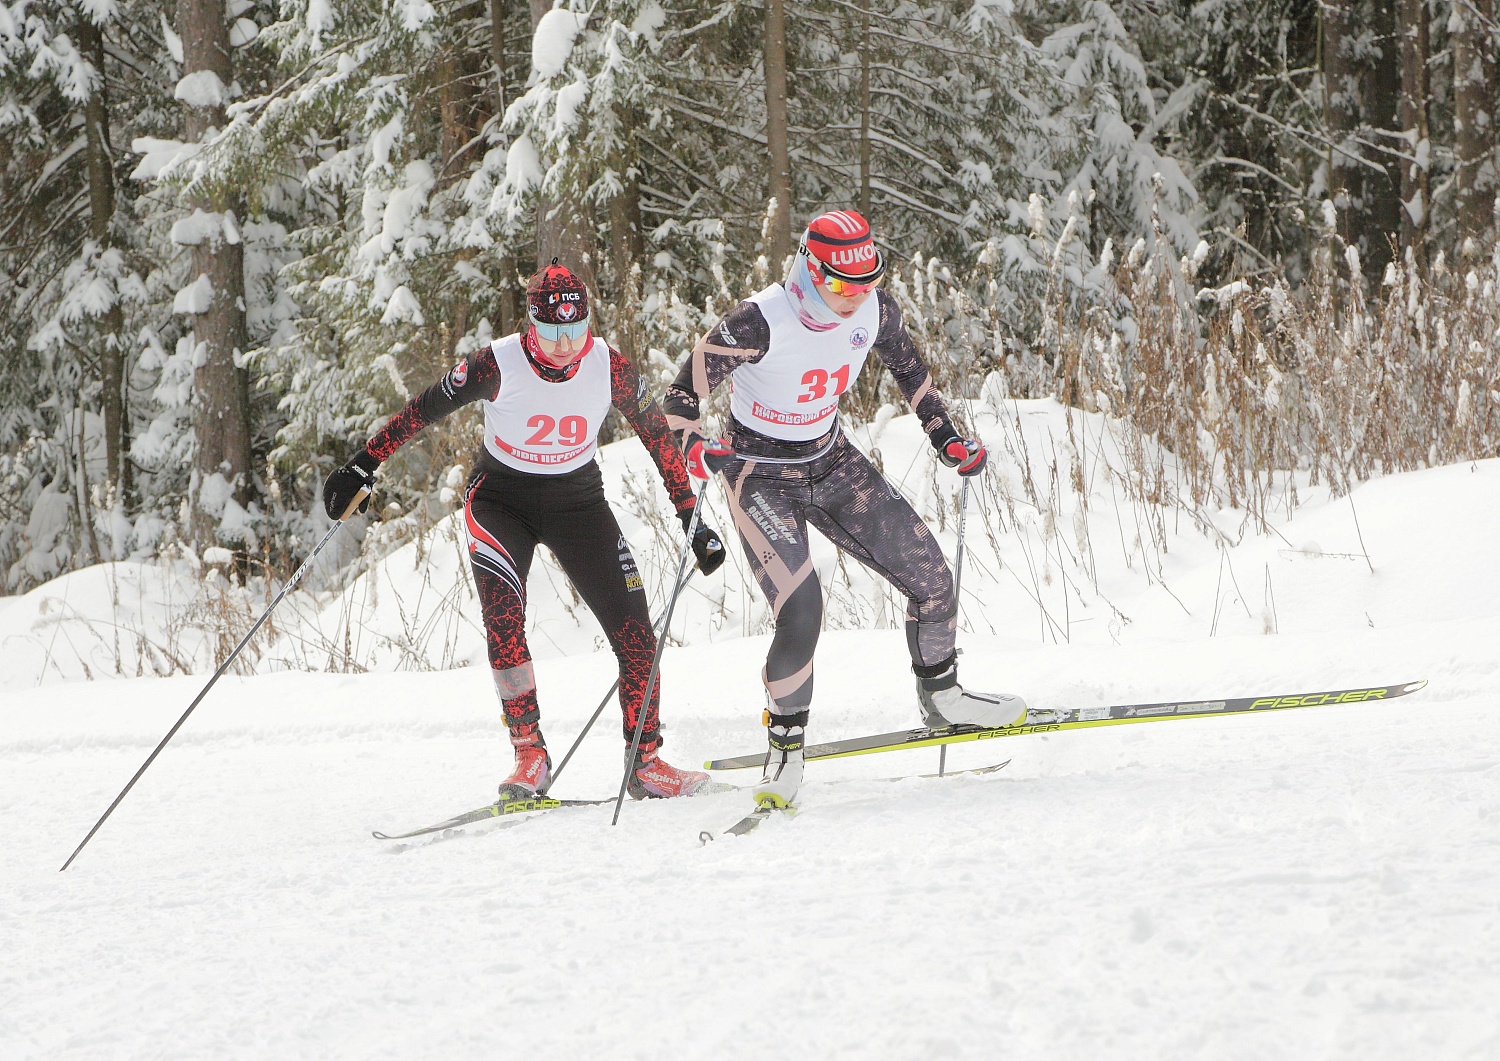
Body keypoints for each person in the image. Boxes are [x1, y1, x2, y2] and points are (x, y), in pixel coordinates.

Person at [661, 209, 1026, 809]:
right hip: (760, 475)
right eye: (839, 284)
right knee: (802, 609)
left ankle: (943, 698)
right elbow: (678, 400)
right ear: (810, 268)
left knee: (933, 580)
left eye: (867, 282)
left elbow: (912, 373)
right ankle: (784, 750)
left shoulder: (876, 310)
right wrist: (695, 447)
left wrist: (946, 437)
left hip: (832, 460)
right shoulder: (759, 320)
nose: (854, 298)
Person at [323, 260, 725, 801]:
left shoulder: (610, 366)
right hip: (500, 501)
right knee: (505, 623)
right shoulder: (498, 363)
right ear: (532, 325)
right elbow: (424, 409)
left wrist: (689, 519)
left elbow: (657, 437)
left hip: (577, 502)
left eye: (576, 330)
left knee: (637, 633)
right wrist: (363, 464)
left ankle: (645, 761)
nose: (565, 345)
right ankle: (529, 754)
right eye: (553, 332)